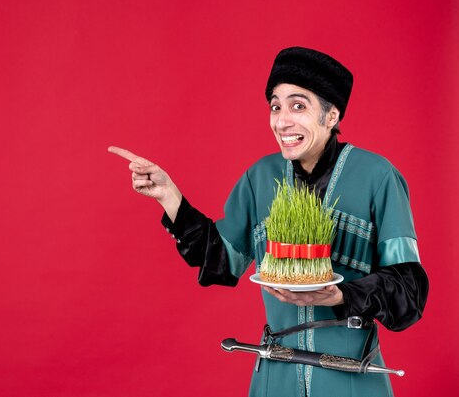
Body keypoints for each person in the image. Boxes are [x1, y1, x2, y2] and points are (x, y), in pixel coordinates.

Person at [108, 47, 428, 397]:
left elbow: (408, 292)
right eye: (276, 106)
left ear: (331, 115)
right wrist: (169, 196)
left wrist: (340, 294)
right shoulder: (260, 178)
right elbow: (221, 261)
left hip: (352, 376)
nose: (282, 121)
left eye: (298, 106)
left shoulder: (377, 176)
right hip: (275, 376)